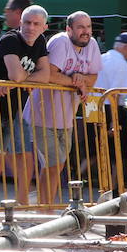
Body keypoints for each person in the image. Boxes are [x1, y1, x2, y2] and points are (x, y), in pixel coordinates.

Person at [0, 4, 50, 224]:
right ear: (20, 22)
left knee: (26, 157)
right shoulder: (10, 40)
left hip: (14, 110)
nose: (30, 28)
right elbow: (15, 74)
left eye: (36, 24)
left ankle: (22, 210)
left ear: (44, 27)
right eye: (27, 22)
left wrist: (18, 83)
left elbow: (46, 75)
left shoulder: (40, 43)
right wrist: (17, 82)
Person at [23, 11, 100, 206]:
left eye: (88, 26)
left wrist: (80, 80)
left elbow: (93, 78)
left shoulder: (92, 44)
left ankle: (42, 205)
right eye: (81, 27)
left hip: (65, 118)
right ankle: (41, 207)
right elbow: (48, 74)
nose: (86, 31)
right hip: (41, 115)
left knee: (56, 166)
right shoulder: (60, 42)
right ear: (69, 29)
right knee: (53, 163)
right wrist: (76, 81)